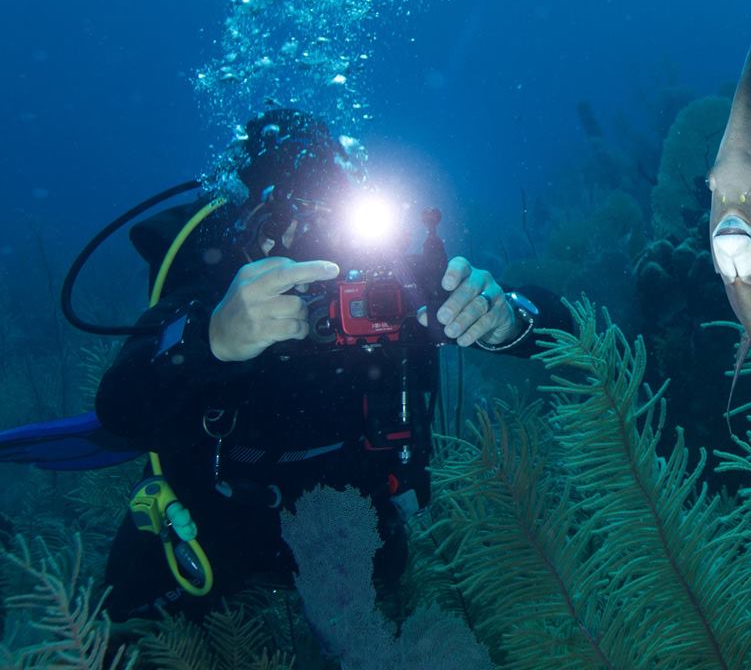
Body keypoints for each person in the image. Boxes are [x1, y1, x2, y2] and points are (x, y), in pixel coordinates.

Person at [95, 108, 568, 621]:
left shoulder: (394, 278)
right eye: (287, 219)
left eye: (330, 213)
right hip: (210, 528)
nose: (313, 239)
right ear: (251, 221)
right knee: (121, 627)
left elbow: (560, 325)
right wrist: (213, 339)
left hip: (359, 529)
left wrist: (506, 321)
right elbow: (119, 408)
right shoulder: (212, 280)